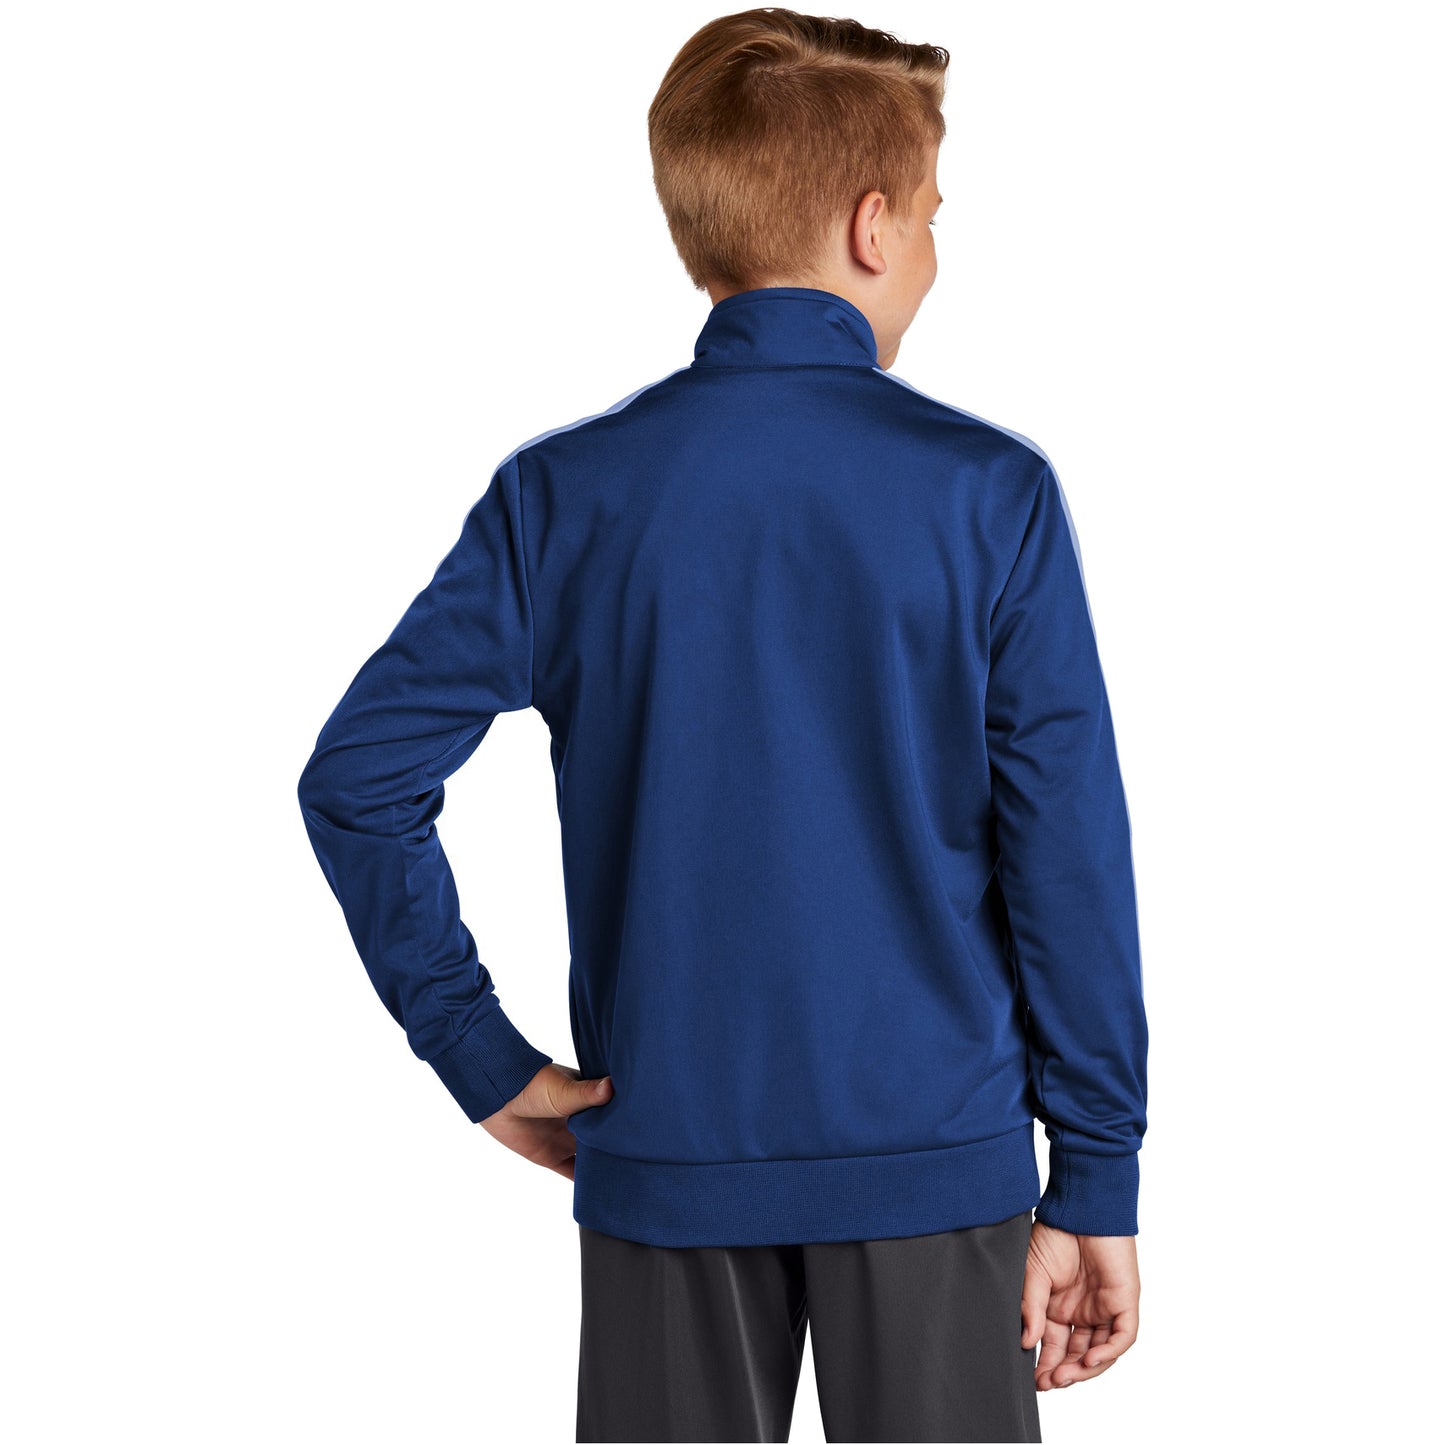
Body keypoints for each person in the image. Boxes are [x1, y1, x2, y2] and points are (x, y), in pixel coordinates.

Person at [297, 8, 1148, 1441]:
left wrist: (479, 1054)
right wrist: (1098, 1174)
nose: (935, 247)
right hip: (934, 1160)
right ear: (873, 226)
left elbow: (358, 781)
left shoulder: (563, 497)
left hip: (665, 1153)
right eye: (935, 214)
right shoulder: (987, 494)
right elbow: (1065, 857)